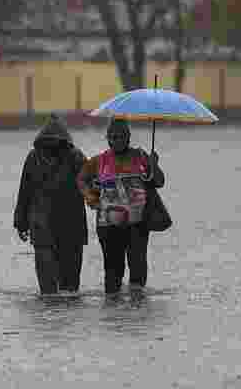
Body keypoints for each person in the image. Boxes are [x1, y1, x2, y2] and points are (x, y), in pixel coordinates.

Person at [76, 118, 165, 294]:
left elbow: (159, 181)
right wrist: (91, 199)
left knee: (137, 266)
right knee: (112, 271)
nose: (117, 140)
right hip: (108, 225)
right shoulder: (99, 161)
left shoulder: (141, 157)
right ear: (108, 139)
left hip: (138, 224)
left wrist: (154, 164)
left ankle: (136, 309)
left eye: (121, 136)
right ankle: (113, 312)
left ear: (128, 137)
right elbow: (81, 179)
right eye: (113, 137)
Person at [14, 115, 89, 294]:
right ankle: (55, 316)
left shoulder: (76, 157)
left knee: (69, 288)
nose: (52, 148)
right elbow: (25, 191)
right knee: (51, 289)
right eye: (49, 144)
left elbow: (92, 186)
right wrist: (20, 221)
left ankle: (53, 316)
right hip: (45, 227)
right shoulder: (34, 158)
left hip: (69, 227)